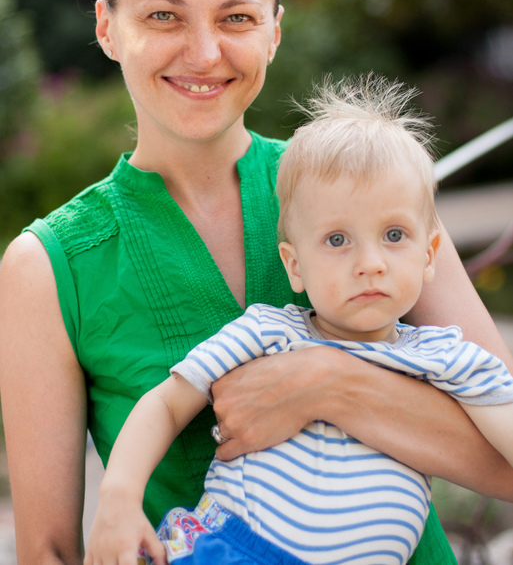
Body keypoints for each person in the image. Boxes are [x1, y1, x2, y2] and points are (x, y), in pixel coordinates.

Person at [0, 0, 512, 565]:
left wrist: (329, 384)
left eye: (236, 17)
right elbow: (49, 552)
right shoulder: (48, 267)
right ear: (106, 27)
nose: (204, 52)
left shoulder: (370, 191)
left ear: (274, 29)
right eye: (164, 16)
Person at [84, 75, 513, 565]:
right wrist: (118, 499)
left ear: (429, 254)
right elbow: (165, 404)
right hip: (230, 550)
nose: (370, 263)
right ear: (294, 265)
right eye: (337, 240)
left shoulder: (449, 359)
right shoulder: (271, 332)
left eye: (394, 235)